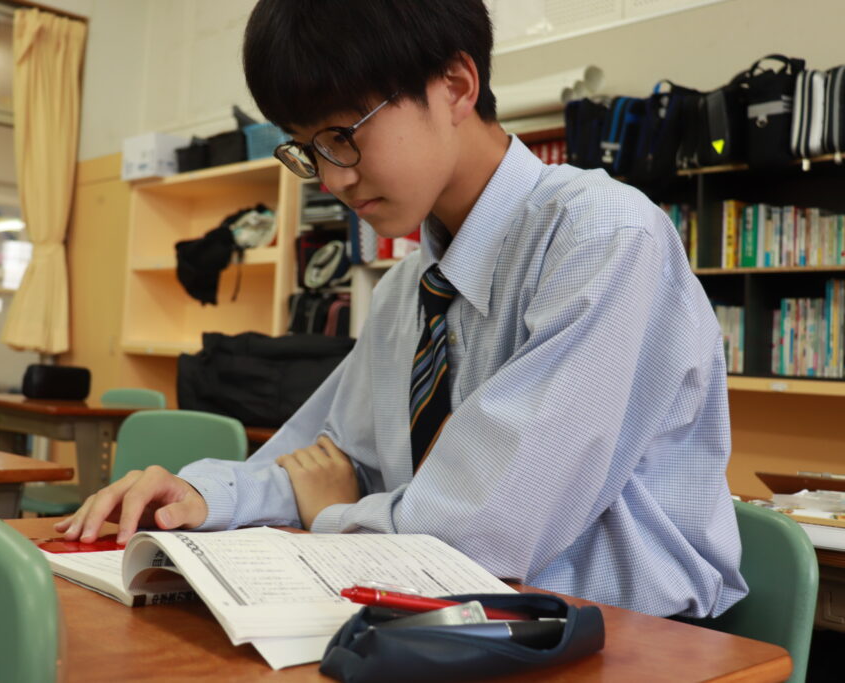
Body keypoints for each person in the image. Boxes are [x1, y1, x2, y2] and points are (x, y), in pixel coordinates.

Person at [58, 0, 747, 618]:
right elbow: (326, 456)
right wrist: (203, 494)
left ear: (455, 86)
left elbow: (484, 530)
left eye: (342, 134)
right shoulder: (407, 289)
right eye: (310, 149)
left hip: (636, 637)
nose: (332, 178)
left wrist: (333, 514)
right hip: (462, 617)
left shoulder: (602, 238)